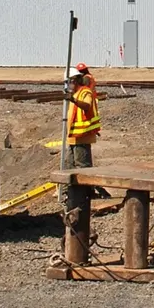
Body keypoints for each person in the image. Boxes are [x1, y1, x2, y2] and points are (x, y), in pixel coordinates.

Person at [61, 63, 101, 204]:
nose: (68, 85)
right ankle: (71, 194)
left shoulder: (84, 92)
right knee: (69, 165)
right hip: (74, 137)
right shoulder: (75, 94)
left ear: (75, 80)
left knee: (82, 166)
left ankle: (86, 194)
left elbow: (87, 105)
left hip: (83, 136)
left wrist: (73, 99)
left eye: (69, 82)